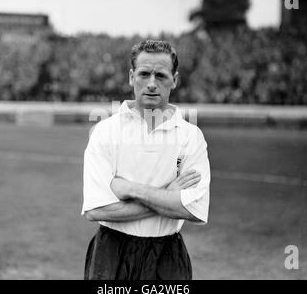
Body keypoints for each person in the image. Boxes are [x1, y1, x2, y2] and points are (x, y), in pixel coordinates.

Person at [81, 39, 211, 280]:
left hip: (167, 256)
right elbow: (96, 209)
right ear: (132, 77)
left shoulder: (191, 136)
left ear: (175, 79)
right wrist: (168, 195)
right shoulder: (105, 131)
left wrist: (130, 189)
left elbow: (193, 209)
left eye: (161, 75)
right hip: (111, 253)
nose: (152, 83)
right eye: (144, 74)